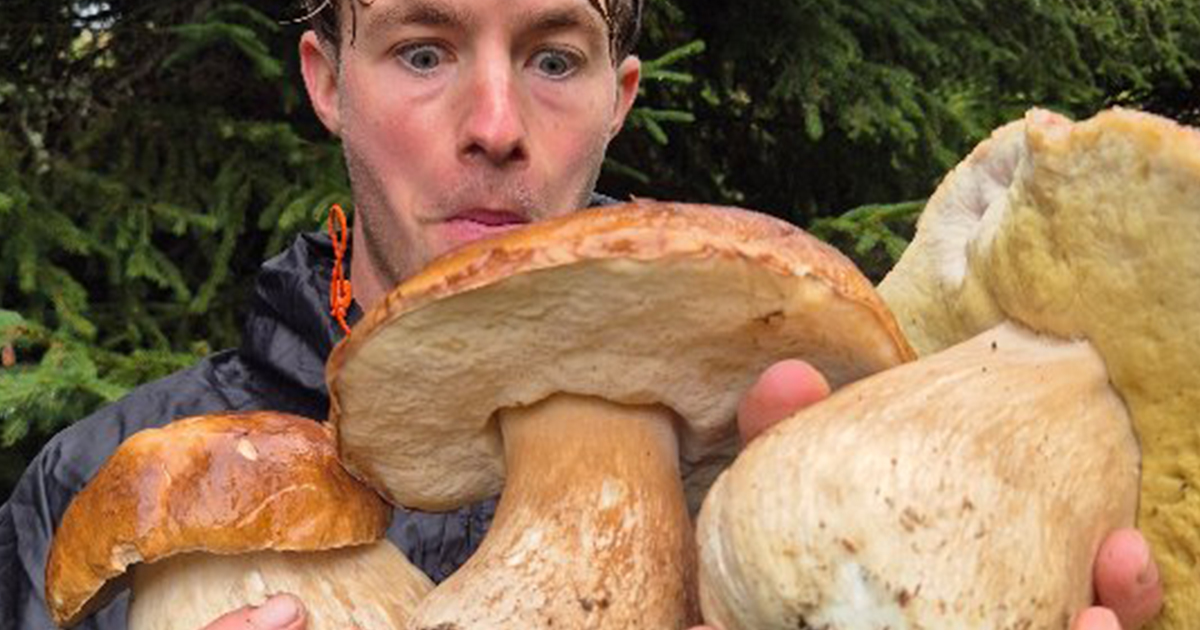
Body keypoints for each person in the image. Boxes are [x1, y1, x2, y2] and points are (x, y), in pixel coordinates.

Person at [0, 0, 1163, 629]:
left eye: (555, 58)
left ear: (622, 96)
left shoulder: (787, 446)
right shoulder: (84, 481)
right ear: (324, 80)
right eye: (421, 49)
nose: (496, 123)